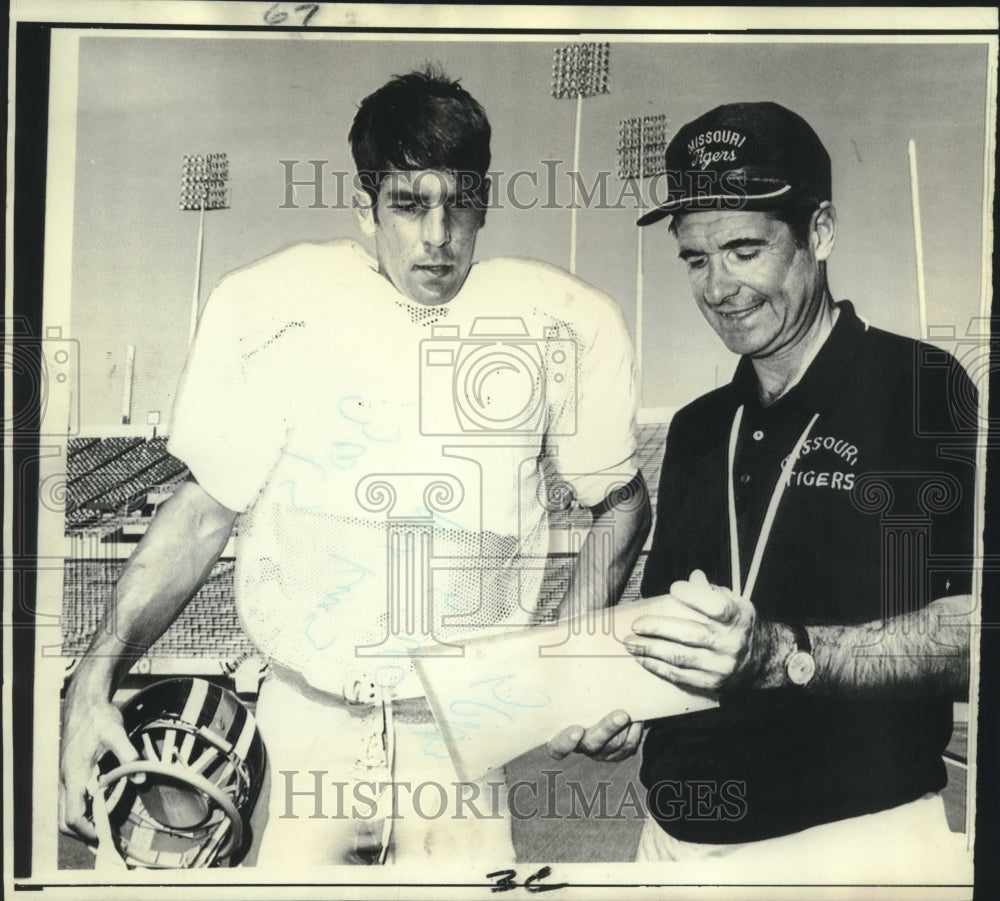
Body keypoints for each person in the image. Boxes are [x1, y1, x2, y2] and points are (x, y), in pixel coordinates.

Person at [60, 67, 650, 866]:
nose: (436, 236)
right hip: (303, 726)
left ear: (487, 200)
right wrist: (93, 679)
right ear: (363, 203)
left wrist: (577, 661)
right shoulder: (273, 306)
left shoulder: (562, 322)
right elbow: (203, 511)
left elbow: (621, 499)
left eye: (459, 202)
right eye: (408, 204)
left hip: (460, 742)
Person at [549, 101, 976, 867]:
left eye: (745, 249)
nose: (718, 287)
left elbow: (977, 630)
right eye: (694, 258)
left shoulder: (921, 387)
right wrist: (618, 704)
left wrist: (786, 655)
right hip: (671, 843)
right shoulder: (697, 427)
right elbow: (676, 628)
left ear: (820, 232)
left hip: (846, 845)